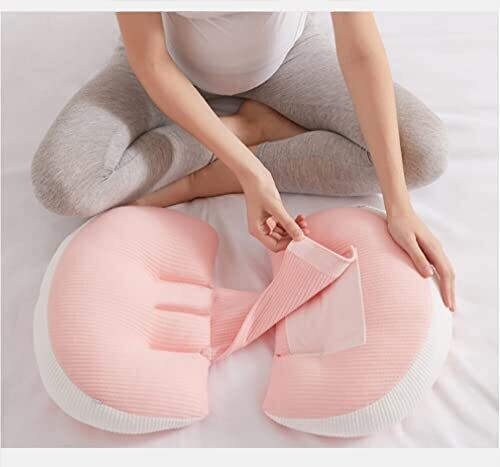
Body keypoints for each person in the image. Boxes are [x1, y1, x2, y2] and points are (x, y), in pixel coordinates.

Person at [31, 12, 455, 311]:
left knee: (419, 153)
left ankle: (222, 161)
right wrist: (249, 168)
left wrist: (399, 206)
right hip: (166, 68)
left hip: (287, 59)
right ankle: (247, 129)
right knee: (65, 185)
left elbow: (360, 51)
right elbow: (152, 61)